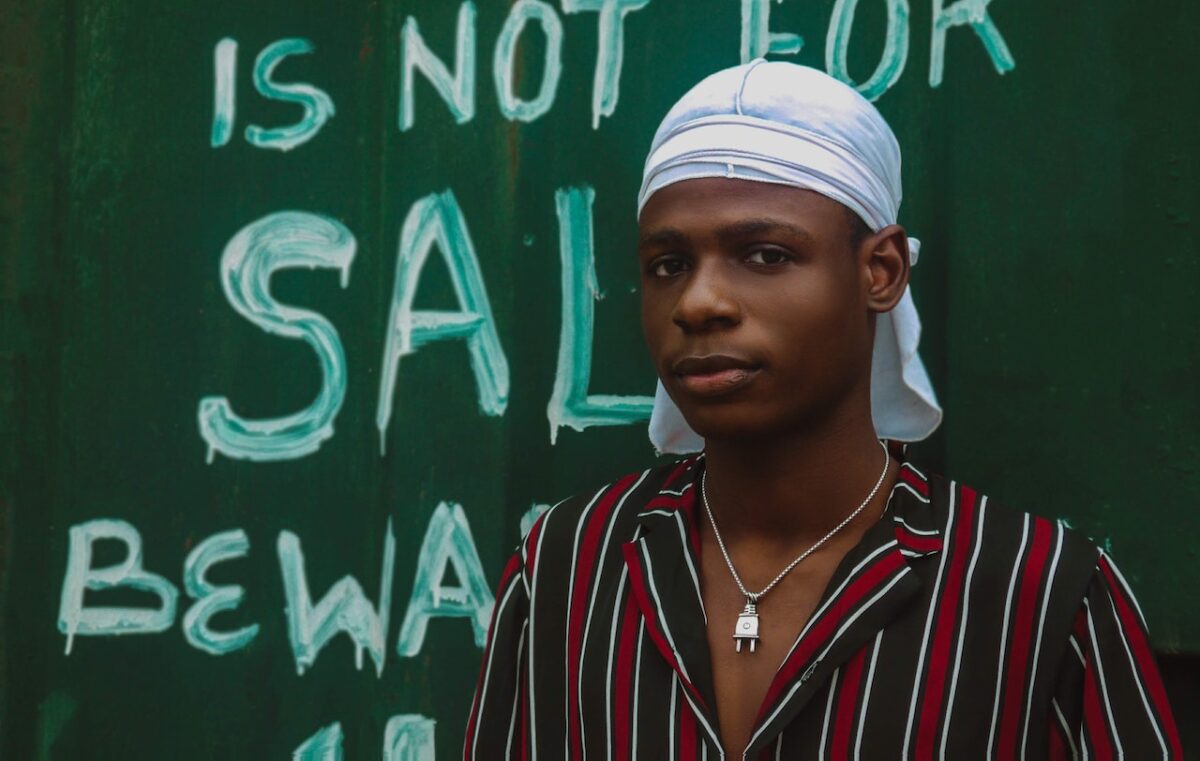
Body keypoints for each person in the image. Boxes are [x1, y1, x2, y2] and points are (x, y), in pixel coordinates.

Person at [464, 60, 1181, 759]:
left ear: (882, 272)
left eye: (766, 255)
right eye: (668, 265)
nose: (699, 302)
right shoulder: (565, 569)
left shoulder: (1040, 591)